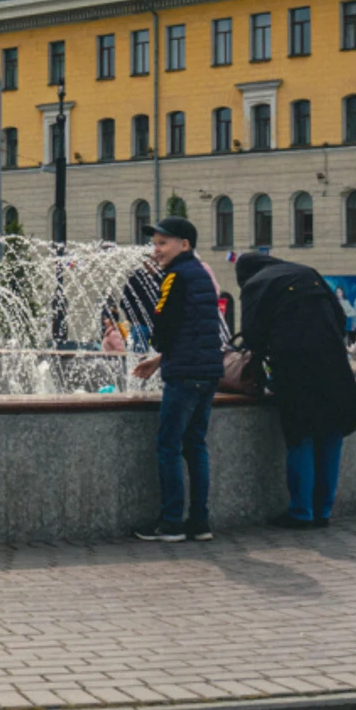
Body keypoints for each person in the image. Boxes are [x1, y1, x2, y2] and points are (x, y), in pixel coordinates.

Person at [233, 252, 356, 530]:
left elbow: (252, 333)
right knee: (331, 436)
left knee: (301, 437)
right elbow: (339, 315)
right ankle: (323, 511)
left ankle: (301, 512)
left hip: (294, 367)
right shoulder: (308, 272)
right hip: (333, 364)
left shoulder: (255, 284)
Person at [129, 217, 225, 543]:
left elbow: (164, 328)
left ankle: (171, 523)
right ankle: (200, 522)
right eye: (154, 243)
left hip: (184, 377)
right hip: (208, 373)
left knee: (168, 447)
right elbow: (198, 331)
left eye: (162, 243)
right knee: (195, 446)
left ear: (183, 244)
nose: (155, 250)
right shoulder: (201, 275)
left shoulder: (175, 277)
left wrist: (159, 351)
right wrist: (161, 360)